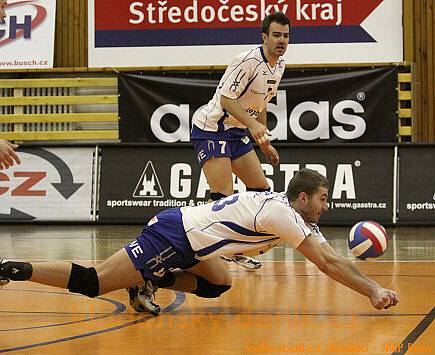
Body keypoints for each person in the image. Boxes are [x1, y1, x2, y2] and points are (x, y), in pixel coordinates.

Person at [0, 169, 399, 314]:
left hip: (193, 244)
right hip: (172, 234)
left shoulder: (291, 213)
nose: (326, 207)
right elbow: (328, 264)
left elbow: (333, 257)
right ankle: (13, 269)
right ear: (301, 198)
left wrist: (369, 283)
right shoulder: (282, 214)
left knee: (218, 283)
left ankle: (147, 281)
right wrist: (373, 290)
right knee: (95, 281)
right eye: (322, 199)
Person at [190, 12, 290, 270]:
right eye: (276, 35)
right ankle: (204, 248)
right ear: (264, 37)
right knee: (223, 197)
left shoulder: (279, 65)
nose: (282, 40)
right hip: (211, 128)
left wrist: (263, 139)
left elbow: (262, 104)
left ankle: (236, 247)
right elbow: (226, 100)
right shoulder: (246, 61)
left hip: (236, 131)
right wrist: (253, 125)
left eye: (286, 36)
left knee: (262, 192)